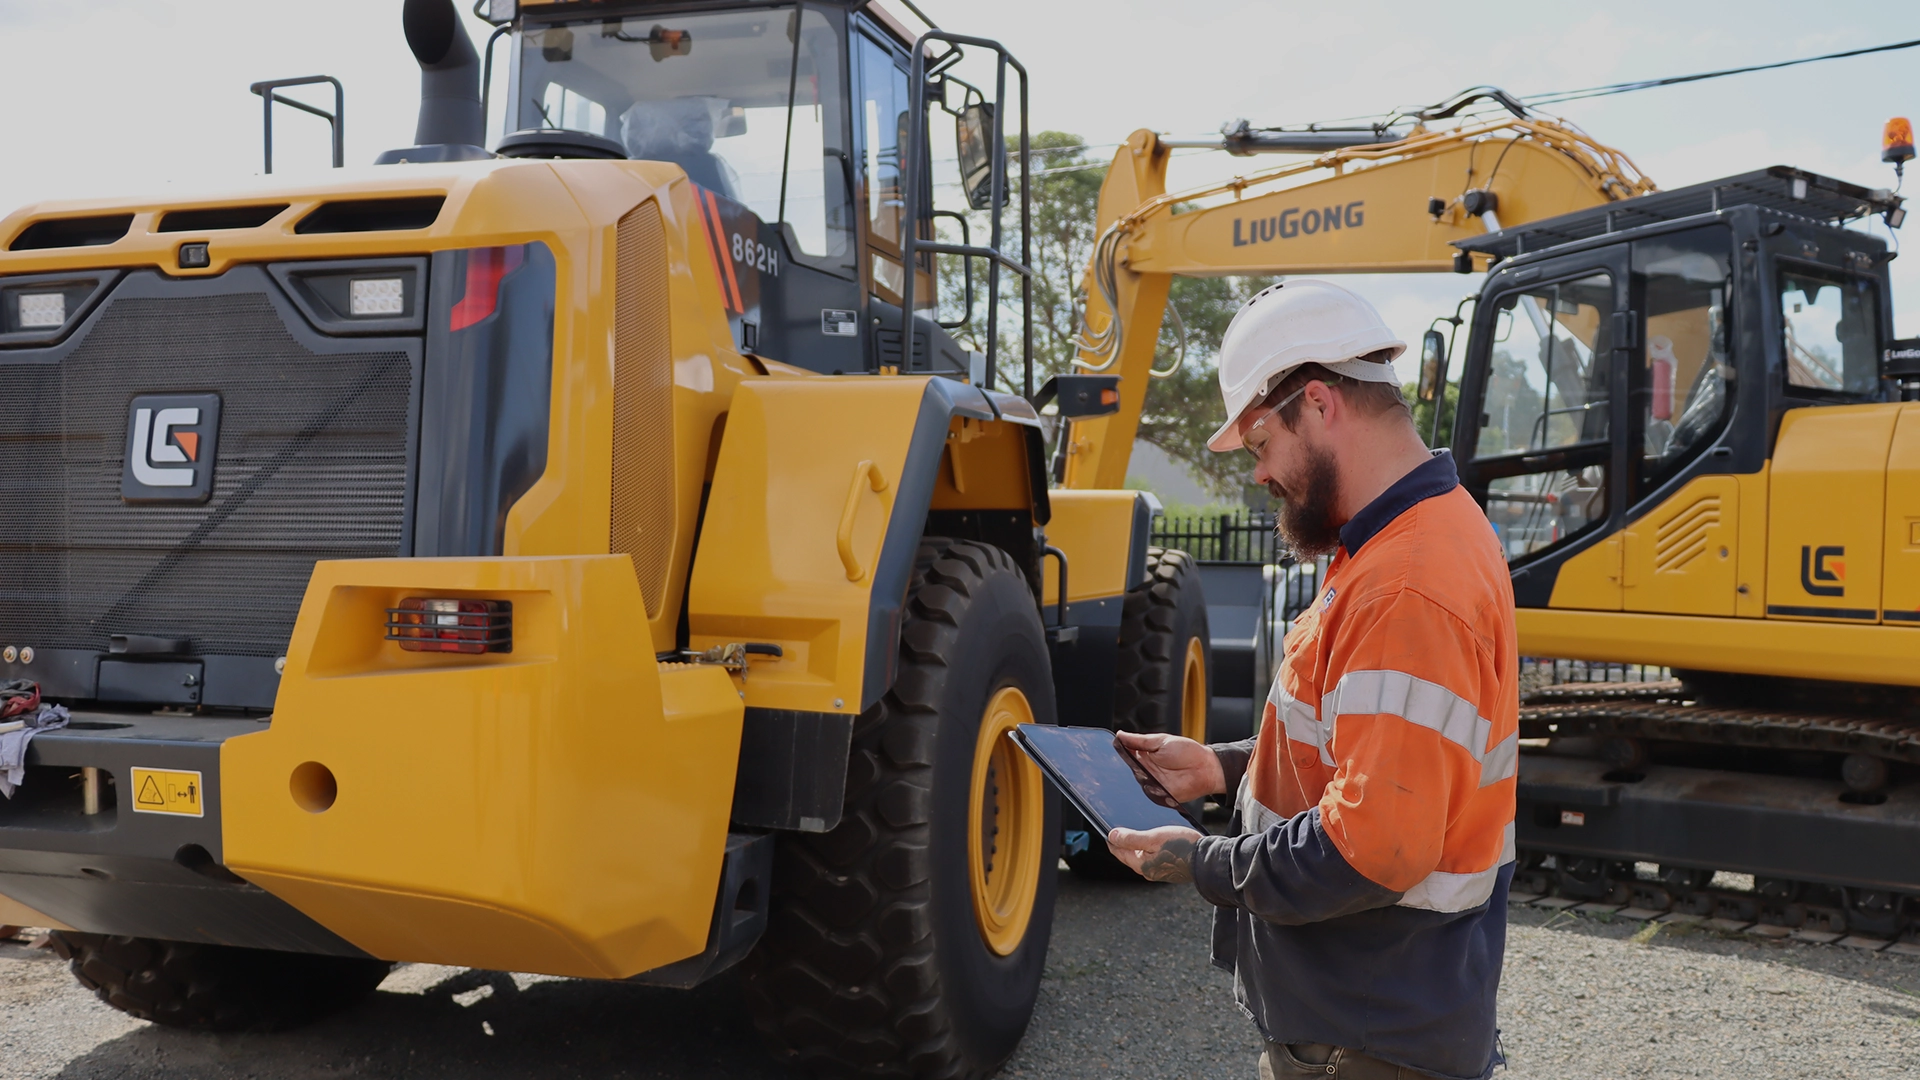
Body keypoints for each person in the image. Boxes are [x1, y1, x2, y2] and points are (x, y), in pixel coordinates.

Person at [1107, 280, 1518, 1080]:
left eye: (1260, 444)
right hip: (1376, 1015)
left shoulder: (1406, 582)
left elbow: (1370, 850)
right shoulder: (1400, 542)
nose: (1259, 474)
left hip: (1366, 1034)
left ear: (1320, 404)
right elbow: (1369, 750)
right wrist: (1224, 766)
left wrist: (1199, 861)